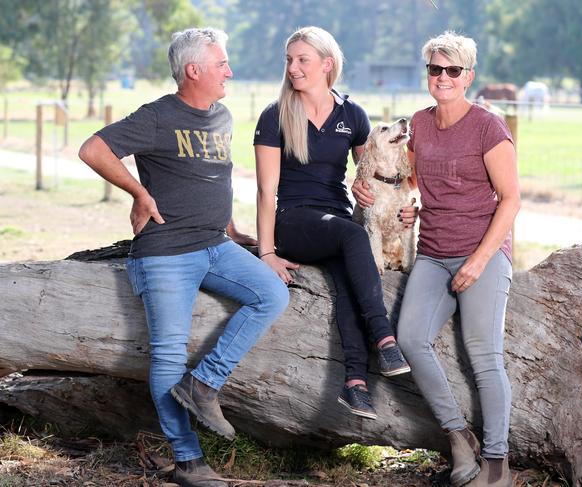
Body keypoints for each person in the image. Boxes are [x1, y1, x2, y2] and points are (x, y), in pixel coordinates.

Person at [78, 28, 289, 487]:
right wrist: (138, 191)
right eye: (221, 64)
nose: (229, 71)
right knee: (169, 354)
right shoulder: (157, 116)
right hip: (166, 252)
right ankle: (188, 461)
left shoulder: (223, 115)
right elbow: (92, 149)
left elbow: (215, 178)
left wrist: (234, 231)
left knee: (272, 292)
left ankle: (205, 383)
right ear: (194, 70)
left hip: (217, 245)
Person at [358, 31, 520, 486]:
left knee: (484, 356)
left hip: (482, 252)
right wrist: (403, 202)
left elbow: (509, 200)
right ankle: (457, 435)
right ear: (427, 73)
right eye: (435, 69)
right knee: (408, 339)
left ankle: (496, 462)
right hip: (431, 252)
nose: (443, 77)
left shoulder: (488, 127)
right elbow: (409, 180)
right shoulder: (421, 124)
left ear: (468, 76)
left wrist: (479, 260)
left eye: (452, 70)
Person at [254, 26, 411, 421]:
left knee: (347, 284)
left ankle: (355, 384)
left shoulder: (352, 115)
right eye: (289, 60)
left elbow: (374, 171)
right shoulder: (275, 115)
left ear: (327, 64)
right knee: (352, 234)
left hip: (336, 223)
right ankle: (385, 337)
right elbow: (264, 191)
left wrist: (401, 206)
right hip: (293, 220)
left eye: (301, 60)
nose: (292, 67)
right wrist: (267, 252)